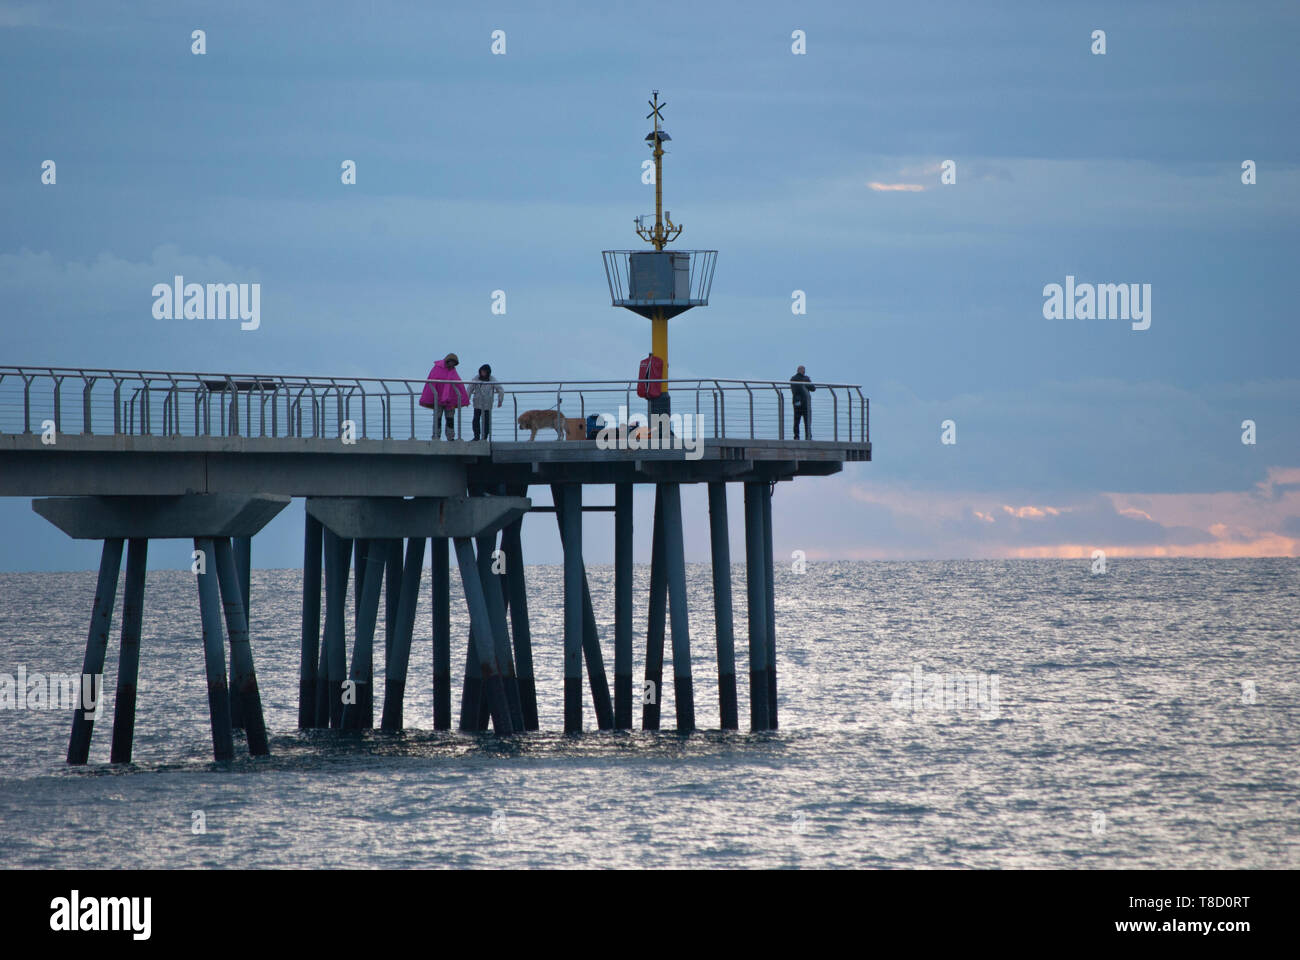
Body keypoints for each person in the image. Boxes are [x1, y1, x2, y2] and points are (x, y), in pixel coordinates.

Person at [420, 353, 469, 440]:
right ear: (448, 361)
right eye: (452, 362)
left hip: (449, 401)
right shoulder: (437, 368)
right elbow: (432, 380)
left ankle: (450, 437)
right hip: (437, 399)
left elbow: (458, 384)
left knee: (450, 419)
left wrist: (464, 398)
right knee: (437, 418)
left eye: (454, 363)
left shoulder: (453, 371)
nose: (452, 364)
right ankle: (436, 436)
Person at [468, 363, 504, 440]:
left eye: (484, 371)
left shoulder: (492, 379)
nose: (483, 373)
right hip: (477, 403)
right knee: (476, 420)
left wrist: (500, 400)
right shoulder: (476, 378)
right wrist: (467, 399)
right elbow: (469, 388)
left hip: (487, 404)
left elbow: (500, 389)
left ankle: (484, 438)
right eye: (482, 371)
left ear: (488, 372)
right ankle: (476, 437)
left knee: (486, 422)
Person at [790, 364, 815, 439]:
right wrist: (806, 383)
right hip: (803, 403)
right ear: (800, 370)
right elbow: (813, 388)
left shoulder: (794, 379)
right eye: (803, 370)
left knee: (798, 421)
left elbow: (813, 388)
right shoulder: (802, 379)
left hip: (799, 403)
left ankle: (798, 436)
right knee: (805, 421)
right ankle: (806, 436)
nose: (804, 371)